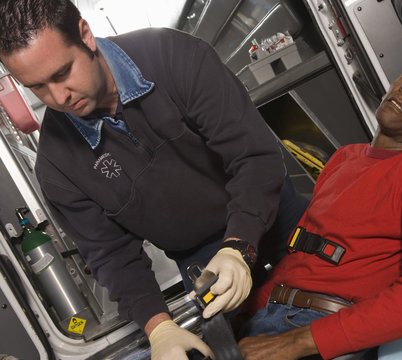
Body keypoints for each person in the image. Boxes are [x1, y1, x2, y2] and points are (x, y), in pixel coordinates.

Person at [0, 0, 308, 359]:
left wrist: (238, 245)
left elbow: (254, 157)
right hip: (202, 262)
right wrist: (158, 327)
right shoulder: (57, 166)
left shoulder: (173, 56)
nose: (58, 97)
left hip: (281, 222)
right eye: (37, 88)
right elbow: (112, 256)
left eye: (62, 73)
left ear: (86, 36)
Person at [238, 59, 402, 360]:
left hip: (316, 328)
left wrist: (297, 343)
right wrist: (244, 316)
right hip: (268, 317)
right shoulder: (345, 158)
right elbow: (300, 257)